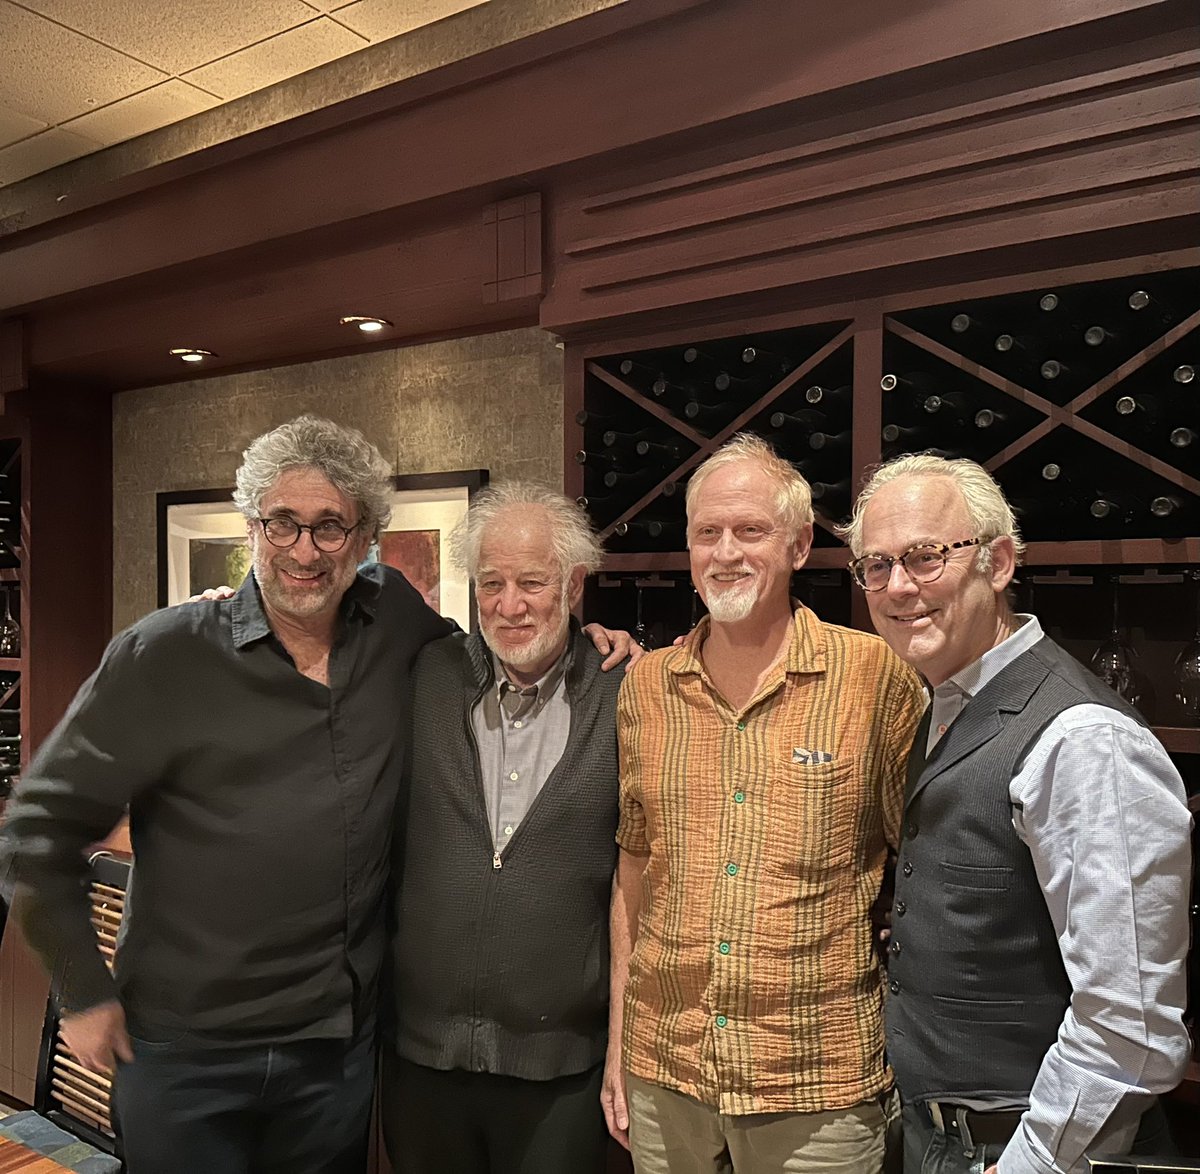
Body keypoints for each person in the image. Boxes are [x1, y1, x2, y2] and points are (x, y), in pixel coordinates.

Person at [0, 416, 632, 1174]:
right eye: (283, 524)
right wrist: (80, 989)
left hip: (333, 1058)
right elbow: (37, 831)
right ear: (252, 527)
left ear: (364, 538)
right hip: (185, 1055)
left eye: (330, 527)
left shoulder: (398, 624)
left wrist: (594, 638)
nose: (304, 550)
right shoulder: (166, 652)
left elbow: (506, 637)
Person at [841, 452, 1192, 1174]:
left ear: (998, 562)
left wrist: (1033, 1160)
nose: (898, 587)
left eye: (926, 557)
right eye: (876, 566)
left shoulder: (1083, 740)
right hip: (945, 1140)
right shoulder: (940, 703)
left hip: (1029, 1151)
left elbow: (1132, 1021)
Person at [604, 433, 926, 1173]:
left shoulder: (873, 675)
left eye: (751, 531)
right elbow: (634, 872)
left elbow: (925, 861)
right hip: (664, 1078)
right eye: (707, 533)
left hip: (815, 1085)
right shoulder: (647, 687)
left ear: (800, 544)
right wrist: (621, 1041)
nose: (726, 552)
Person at [381, 482, 623, 1174]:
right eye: (492, 583)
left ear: (574, 585)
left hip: (562, 1074)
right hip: (421, 1062)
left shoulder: (628, 692)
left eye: (531, 583)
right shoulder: (428, 674)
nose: (510, 606)